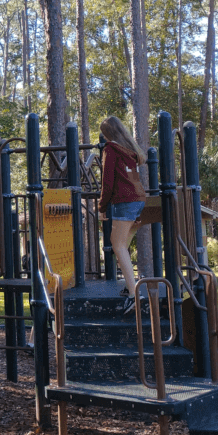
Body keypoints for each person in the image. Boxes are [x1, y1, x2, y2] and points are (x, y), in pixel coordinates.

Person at [97, 115, 147, 311]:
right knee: (122, 245)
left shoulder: (111, 150)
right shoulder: (130, 151)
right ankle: (129, 286)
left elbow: (107, 182)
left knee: (117, 245)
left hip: (125, 201)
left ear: (106, 134)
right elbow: (132, 179)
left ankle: (136, 294)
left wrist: (102, 207)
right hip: (138, 200)